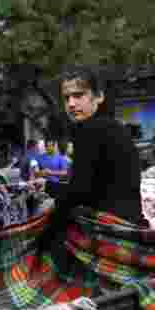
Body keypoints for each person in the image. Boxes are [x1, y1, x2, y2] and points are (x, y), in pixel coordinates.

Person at [39, 68, 144, 242]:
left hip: (112, 228)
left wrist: (47, 189)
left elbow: (80, 192)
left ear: (99, 97)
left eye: (78, 95)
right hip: (128, 222)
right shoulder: (112, 126)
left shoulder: (90, 129)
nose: (71, 104)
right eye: (67, 98)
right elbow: (93, 185)